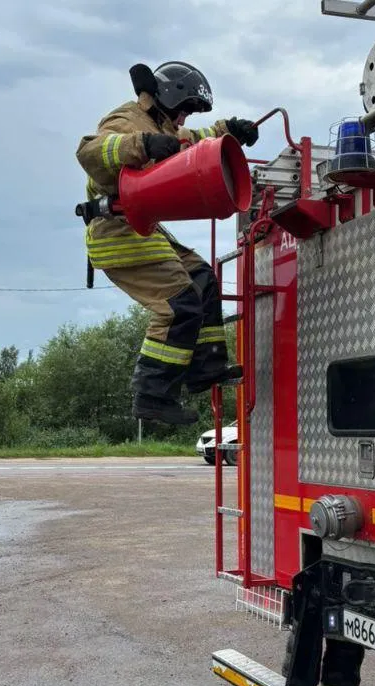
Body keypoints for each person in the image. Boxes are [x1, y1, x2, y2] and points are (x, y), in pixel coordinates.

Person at [75, 61, 260, 425]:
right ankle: (152, 394)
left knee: (203, 278)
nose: (184, 119)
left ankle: (205, 367)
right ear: (169, 98)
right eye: (184, 110)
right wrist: (142, 145)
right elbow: (91, 153)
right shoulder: (129, 120)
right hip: (117, 234)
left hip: (143, 231)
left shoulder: (162, 123)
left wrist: (230, 131)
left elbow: (198, 141)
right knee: (178, 304)